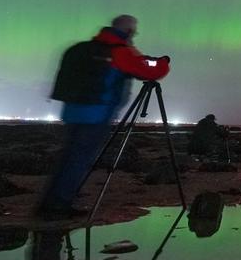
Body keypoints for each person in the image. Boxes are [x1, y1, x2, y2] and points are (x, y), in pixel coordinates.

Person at [38, 15, 171, 219]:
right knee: (78, 159)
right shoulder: (119, 51)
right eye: (133, 31)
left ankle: (51, 201)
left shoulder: (81, 48)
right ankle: (58, 205)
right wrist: (162, 63)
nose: (134, 35)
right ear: (127, 31)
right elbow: (145, 70)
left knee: (69, 157)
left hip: (72, 111)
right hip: (97, 113)